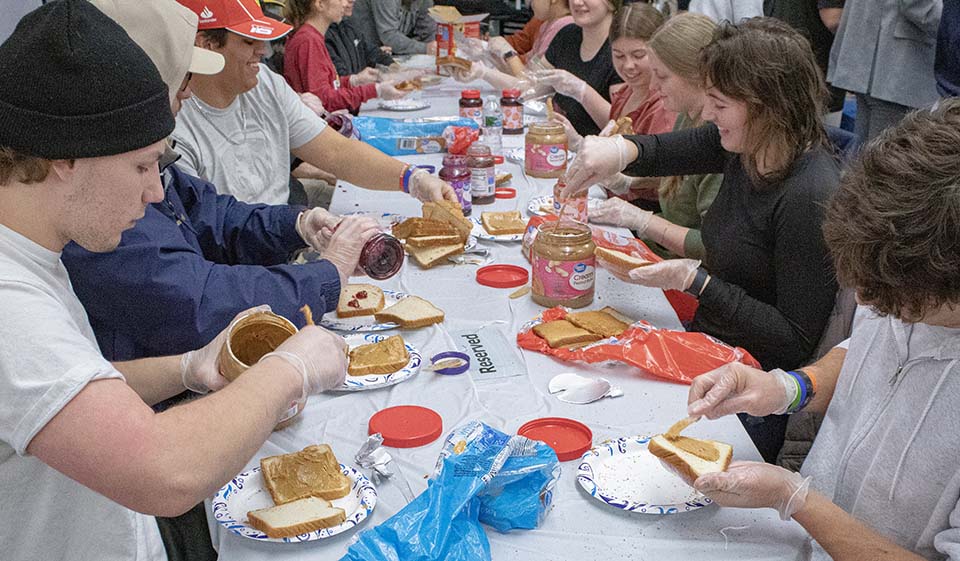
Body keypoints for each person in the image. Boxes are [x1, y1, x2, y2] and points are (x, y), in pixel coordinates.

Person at [0, 2, 347, 560]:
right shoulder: (9, 303)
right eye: (141, 166)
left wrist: (188, 368)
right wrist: (294, 368)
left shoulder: (38, 252)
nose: (156, 192)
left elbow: (68, 392)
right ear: (67, 157)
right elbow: (166, 469)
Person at [684, 98, 960, 561]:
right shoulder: (909, 275)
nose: (869, 304)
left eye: (900, 303)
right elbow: (867, 351)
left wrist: (795, 499)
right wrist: (787, 388)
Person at [63, 0, 377, 365]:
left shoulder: (131, 158)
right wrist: (325, 275)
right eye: (181, 78)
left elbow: (210, 213)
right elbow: (193, 300)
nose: (187, 92)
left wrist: (296, 224)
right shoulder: (99, 188)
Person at [564, 19, 840, 375]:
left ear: (767, 106)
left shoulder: (809, 196)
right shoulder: (746, 144)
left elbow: (793, 338)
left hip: (745, 378)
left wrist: (698, 282)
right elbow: (664, 150)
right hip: (707, 338)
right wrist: (618, 149)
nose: (708, 115)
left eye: (720, 105)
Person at [173, 0, 455, 206]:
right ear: (206, 45)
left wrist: (413, 179)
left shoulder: (267, 84)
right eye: (248, 42)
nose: (263, 51)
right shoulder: (175, 125)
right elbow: (210, 225)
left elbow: (336, 151)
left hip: (280, 232)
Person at [587, 11, 720, 260]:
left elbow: (713, 247)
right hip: (654, 251)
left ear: (696, 75)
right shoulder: (687, 113)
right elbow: (685, 182)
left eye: (662, 76)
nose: (654, 87)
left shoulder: (721, 138)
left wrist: (642, 220)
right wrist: (629, 182)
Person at [553, 2, 675, 205]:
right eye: (618, 56)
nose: (628, 66)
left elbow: (669, 180)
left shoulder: (663, 106)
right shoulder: (624, 94)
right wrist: (578, 143)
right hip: (609, 198)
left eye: (638, 55)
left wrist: (627, 182)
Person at [827, 0, 942, 141]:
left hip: (878, 61)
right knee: (884, 154)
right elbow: (918, 5)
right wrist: (951, 24)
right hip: (896, 66)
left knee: (866, 152)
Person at [283, 0, 406, 114]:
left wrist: (353, 80)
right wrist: (375, 90)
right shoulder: (308, 41)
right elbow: (324, 99)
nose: (344, 3)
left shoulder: (312, 37)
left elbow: (327, 85)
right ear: (320, 4)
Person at [540, 0, 625, 135]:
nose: (577, 2)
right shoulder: (567, 35)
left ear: (611, 3)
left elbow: (621, 125)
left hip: (599, 150)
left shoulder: (621, 50)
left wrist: (582, 91)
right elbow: (531, 86)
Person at [326, 0, 395, 81]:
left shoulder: (347, 25)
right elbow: (341, 78)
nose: (352, 1)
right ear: (319, 3)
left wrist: (392, 65)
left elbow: (367, 49)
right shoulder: (322, 36)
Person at [490, 0, 574, 64]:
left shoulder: (563, 25)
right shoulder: (545, 24)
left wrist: (508, 53)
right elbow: (529, 63)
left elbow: (533, 78)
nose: (530, 3)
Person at [352, 0, 438, 56]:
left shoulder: (425, 2)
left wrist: (431, 48)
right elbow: (389, 36)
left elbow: (427, 34)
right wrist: (424, 48)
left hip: (388, 54)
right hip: (361, 54)